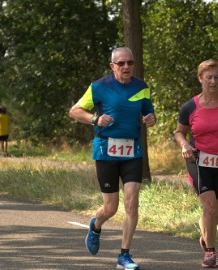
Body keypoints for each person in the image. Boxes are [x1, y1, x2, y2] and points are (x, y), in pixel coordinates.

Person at [69, 47, 156, 270]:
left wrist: (150, 118)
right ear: (112, 66)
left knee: (132, 201)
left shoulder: (142, 87)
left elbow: (149, 112)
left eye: (130, 63)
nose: (126, 67)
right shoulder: (99, 87)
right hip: (106, 152)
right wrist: (94, 119)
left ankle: (124, 255)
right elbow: (75, 111)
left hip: (132, 152)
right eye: (121, 64)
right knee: (111, 208)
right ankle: (96, 225)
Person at [174, 59, 218, 268]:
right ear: (200, 78)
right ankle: (210, 252)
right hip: (198, 160)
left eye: (216, 77)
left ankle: (204, 232)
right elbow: (179, 132)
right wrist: (184, 145)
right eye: (208, 77)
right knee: (209, 207)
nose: (213, 81)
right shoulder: (190, 107)